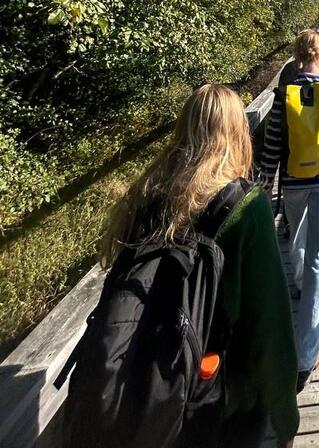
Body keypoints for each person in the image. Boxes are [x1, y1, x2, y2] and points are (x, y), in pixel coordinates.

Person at [69, 84, 299, 448]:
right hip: (215, 400)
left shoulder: (147, 195)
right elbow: (269, 329)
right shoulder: (245, 206)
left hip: (146, 388)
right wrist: (284, 417)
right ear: (238, 132)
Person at [260, 29, 319, 392]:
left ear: (298, 57)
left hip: (293, 181)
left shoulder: (285, 95)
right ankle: (306, 352)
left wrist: (267, 177)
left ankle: (297, 284)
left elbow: (272, 142)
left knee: (295, 238)